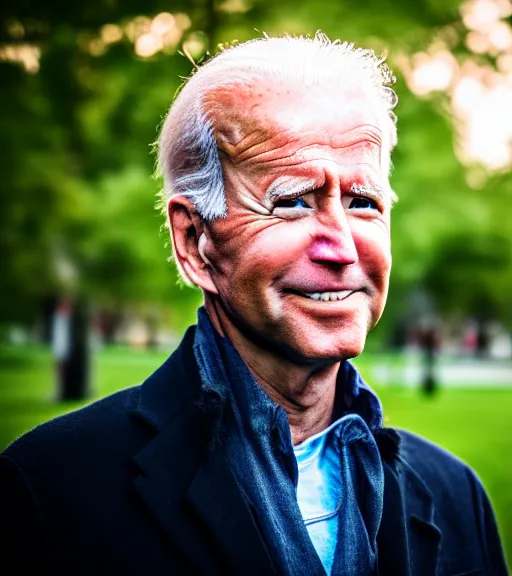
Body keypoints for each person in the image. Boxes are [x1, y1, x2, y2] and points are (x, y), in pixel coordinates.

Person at [0, 33, 507, 576]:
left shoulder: (456, 494)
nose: (341, 247)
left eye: (363, 202)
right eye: (291, 203)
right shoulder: (49, 491)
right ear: (195, 240)